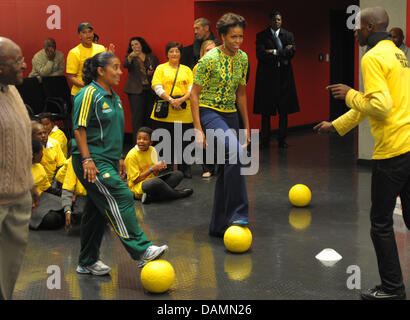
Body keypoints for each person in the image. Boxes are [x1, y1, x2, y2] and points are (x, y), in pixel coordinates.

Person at [314, 7, 410, 300]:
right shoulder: (398, 54)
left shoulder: (372, 57)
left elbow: (379, 106)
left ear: (368, 27)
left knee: (380, 224)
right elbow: (373, 103)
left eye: (357, 26)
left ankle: (393, 289)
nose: (353, 31)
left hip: (392, 152)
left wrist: (349, 94)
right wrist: (336, 124)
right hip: (409, 145)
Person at [71, 51, 168, 275]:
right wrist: (87, 159)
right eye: (114, 67)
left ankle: (86, 261)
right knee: (122, 195)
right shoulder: (88, 94)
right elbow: (78, 128)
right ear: (100, 71)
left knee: (96, 211)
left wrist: (121, 158)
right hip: (91, 160)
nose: (120, 71)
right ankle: (142, 250)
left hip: (109, 159)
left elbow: (113, 132)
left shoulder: (113, 96)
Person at [190, 12, 251, 237]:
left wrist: (246, 127)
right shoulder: (209, 59)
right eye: (233, 37)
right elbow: (194, 95)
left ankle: (217, 226)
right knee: (235, 154)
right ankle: (239, 212)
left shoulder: (243, 58)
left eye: (240, 37)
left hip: (231, 115)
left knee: (228, 169)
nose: (237, 41)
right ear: (222, 36)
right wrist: (198, 129)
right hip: (209, 113)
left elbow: (241, 94)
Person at [0, 37, 39, 300]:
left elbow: (17, 139)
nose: (25, 65)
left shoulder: (12, 90)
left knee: (7, 272)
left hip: (19, 198)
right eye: (17, 61)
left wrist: (30, 183)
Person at [253, 10, 300, 149]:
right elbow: (261, 55)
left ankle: (282, 140)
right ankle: (265, 140)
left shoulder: (288, 35)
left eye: (279, 20)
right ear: (270, 21)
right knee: (266, 111)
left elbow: (291, 53)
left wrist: (273, 52)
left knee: (284, 111)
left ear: (281, 21)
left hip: (284, 78)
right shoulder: (262, 36)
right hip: (267, 79)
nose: (277, 22)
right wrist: (282, 52)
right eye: (274, 20)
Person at [150, 41, 194, 178]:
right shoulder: (160, 68)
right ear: (167, 53)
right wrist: (171, 100)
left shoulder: (187, 69)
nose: (174, 54)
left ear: (180, 54)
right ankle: (165, 168)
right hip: (165, 111)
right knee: (164, 141)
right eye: (171, 51)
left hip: (184, 110)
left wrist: (180, 100)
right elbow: (157, 87)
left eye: (177, 51)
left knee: (185, 141)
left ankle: (185, 168)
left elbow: (192, 88)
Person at [125, 127, 193, 204]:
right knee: (157, 182)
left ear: (151, 142)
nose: (141, 141)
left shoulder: (152, 150)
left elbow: (155, 174)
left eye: (144, 139)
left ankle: (151, 197)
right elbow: (136, 180)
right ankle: (179, 194)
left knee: (178, 174)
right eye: (139, 138)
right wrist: (152, 168)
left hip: (153, 182)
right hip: (138, 186)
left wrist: (158, 168)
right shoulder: (131, 156)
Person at [123, 37, 159, 145]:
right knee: (137, 119)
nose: (134, 47)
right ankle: (137, 144)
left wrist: (151, 73)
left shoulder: (151, 56)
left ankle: (149, 143)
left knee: (149, 118)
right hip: (135, 91)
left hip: (150, 90)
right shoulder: (130, 57)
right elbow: (125, 65)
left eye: (136, 44)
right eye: (132, 45)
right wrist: (130, 56)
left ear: (142, 45)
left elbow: (157, 69)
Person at [66, 22, 115, 100]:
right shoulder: (74, 52)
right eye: (84, 32)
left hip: (99, 93)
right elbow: (71, 77)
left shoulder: (100, 48)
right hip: (81, 94)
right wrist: (88, 87)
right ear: (79, 36)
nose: (88, 35)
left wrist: (109, 59)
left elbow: (105, 70)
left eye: (90, 32)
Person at [193, 39, 217, 178]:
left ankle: (218, 167)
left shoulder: (220, 65)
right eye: (208, 50)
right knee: (204, 138)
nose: (210, 53)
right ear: (203, 52)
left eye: (213, 50)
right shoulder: (198, 67)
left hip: (218, 106)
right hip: (203, 106)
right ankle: (207, 168)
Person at [29, 138, 65, 230]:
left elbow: (47, 188)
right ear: (34, 155)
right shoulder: (21, 170)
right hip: (29, 204)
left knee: (68, 205)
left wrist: (65, 194)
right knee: (52, 219)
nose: (43, 155)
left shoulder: (39, 167)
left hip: (43, 197)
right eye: (41, 152)